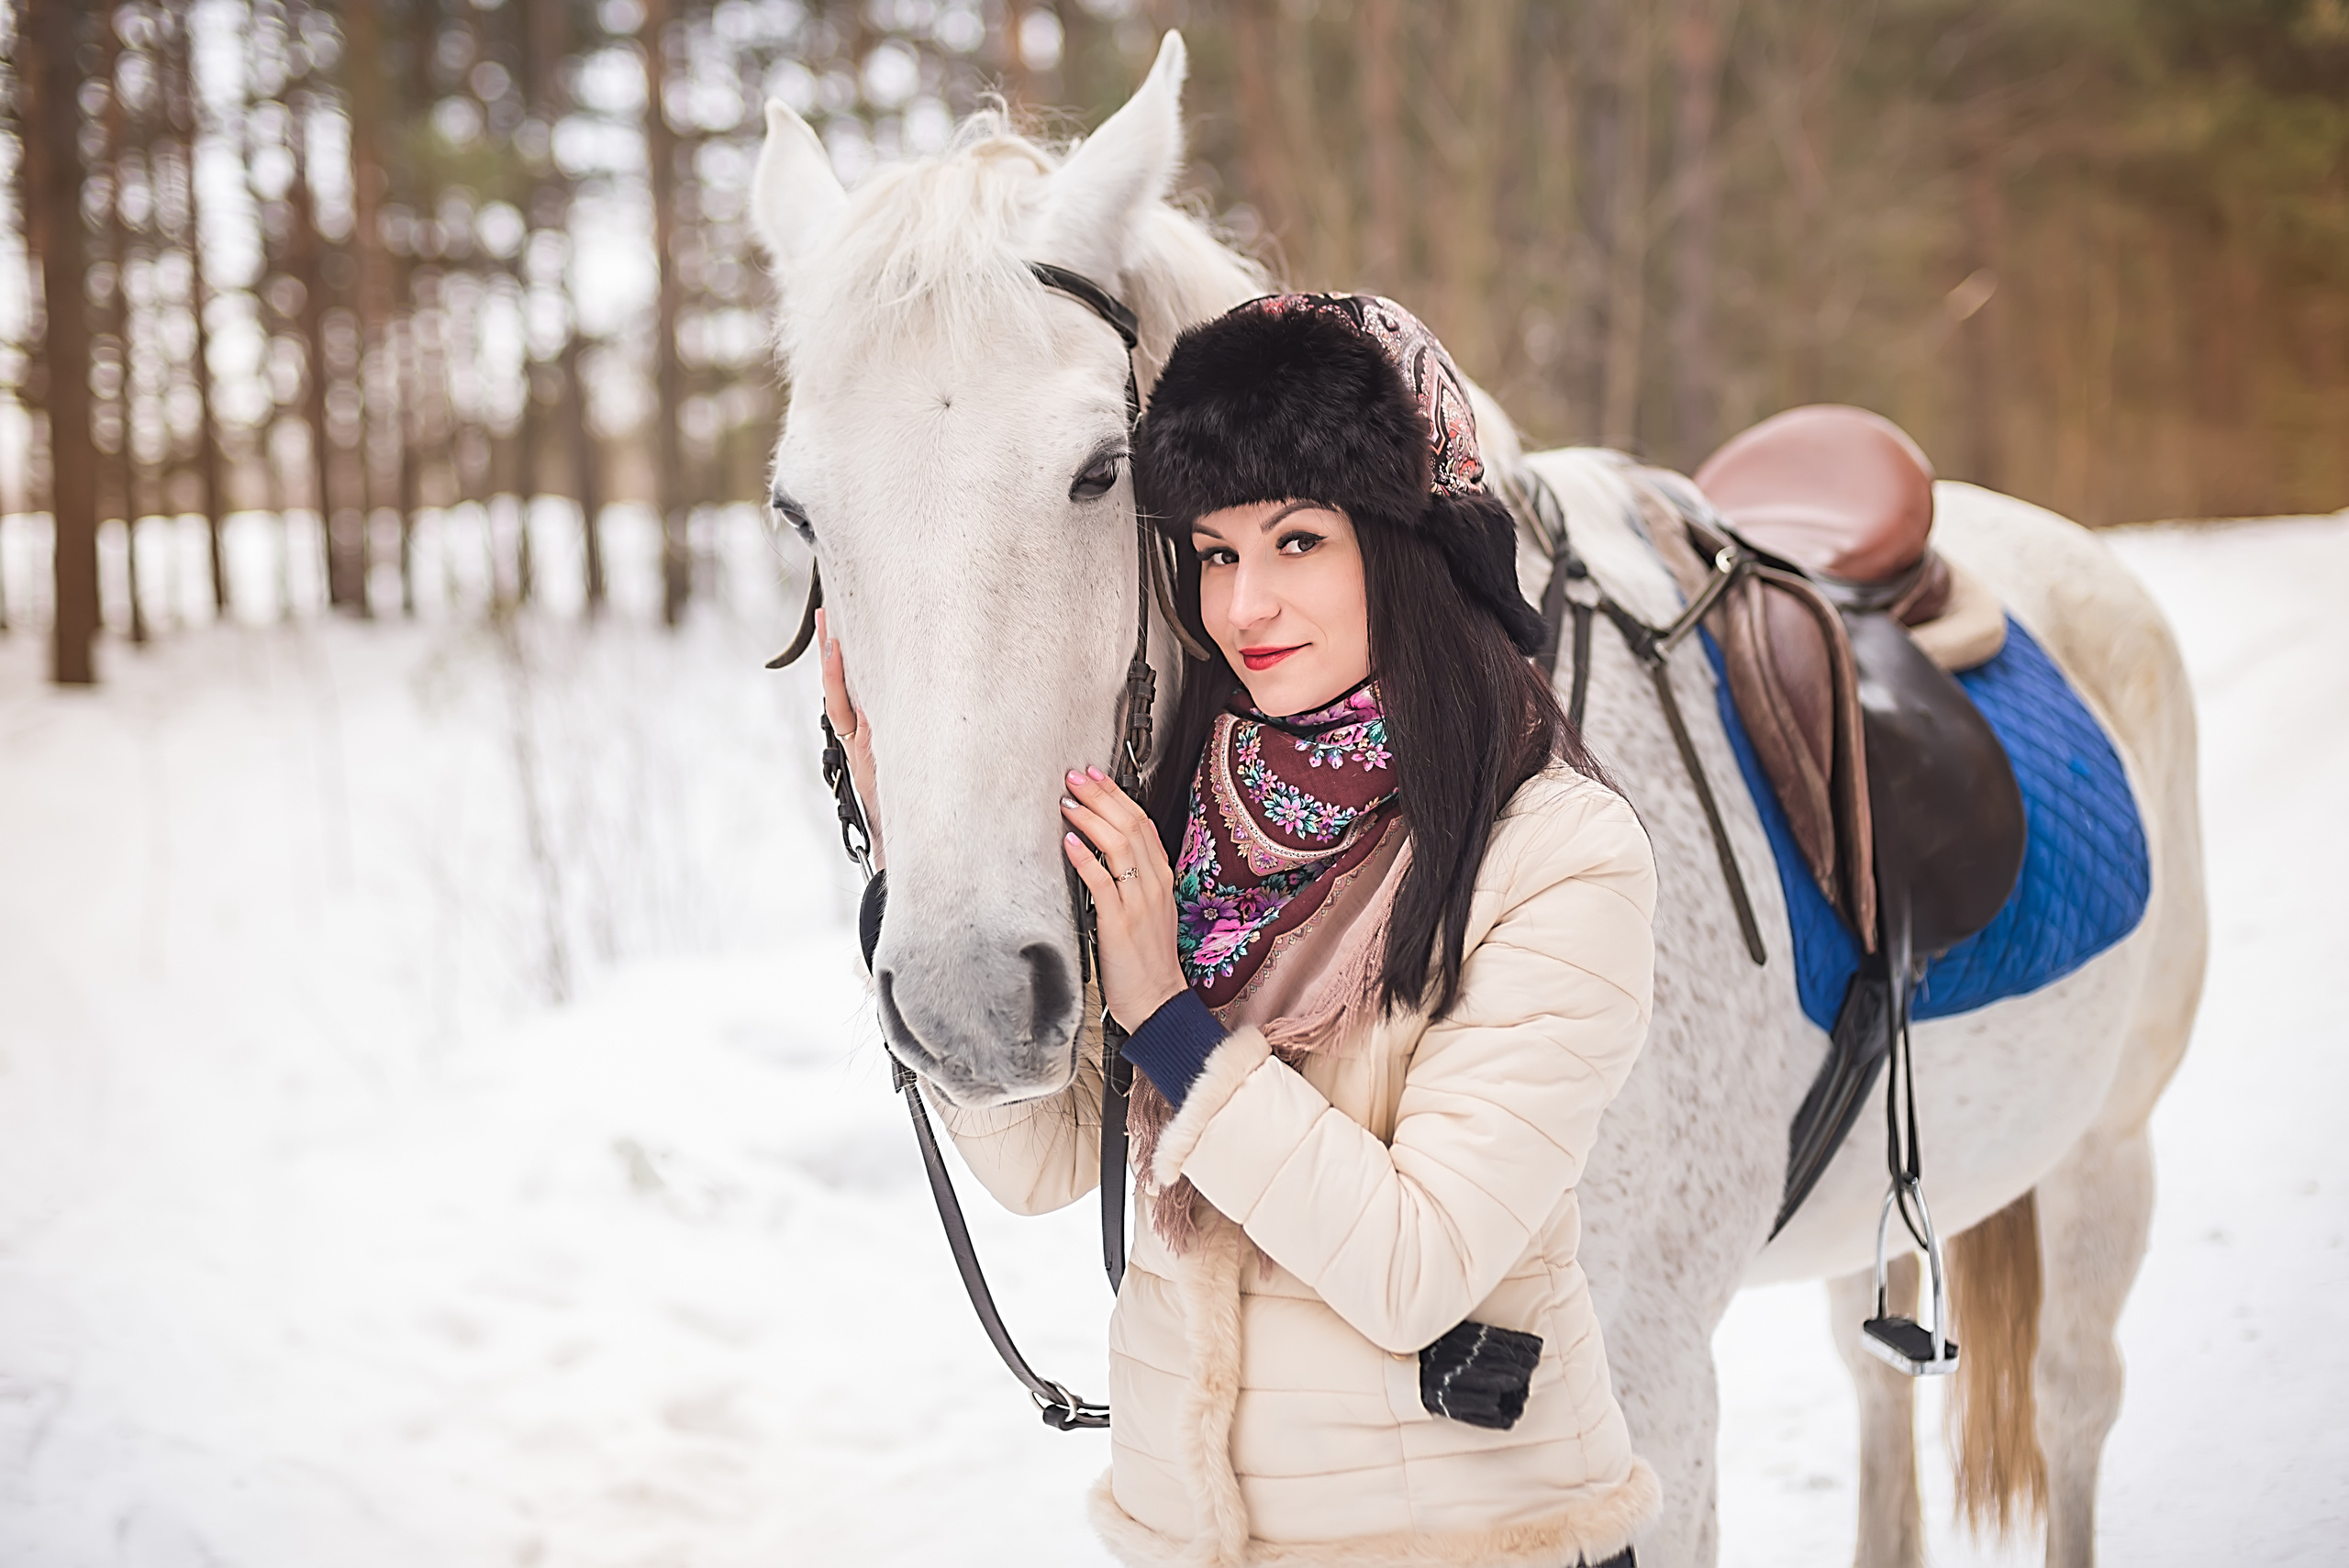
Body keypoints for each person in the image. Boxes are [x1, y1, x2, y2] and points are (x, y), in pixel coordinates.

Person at [822, 294, 1659, 1568]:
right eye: (1213, 552)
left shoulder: (1557, 857)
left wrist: (1169, 1021)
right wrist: (912, 850)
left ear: (1409, 545)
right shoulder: (1189, 821)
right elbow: (1039, 1164)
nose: (1245, 603)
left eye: (1298, 539)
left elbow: (1412, 1263)